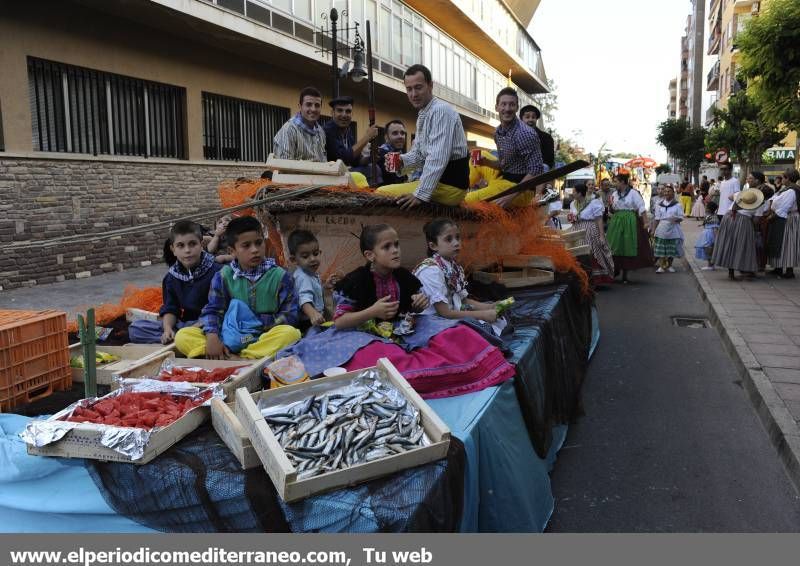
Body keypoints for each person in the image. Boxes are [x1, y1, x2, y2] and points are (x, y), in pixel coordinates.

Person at [175, 216, 301, 359]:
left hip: (262, 336)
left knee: (290, 334)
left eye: (259, 243)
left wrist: (256, 325)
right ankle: (228, 353)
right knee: (183, 336)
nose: (255, 250)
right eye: (246, 245)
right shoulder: (223, 276)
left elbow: (290, 315)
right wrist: (212, 337)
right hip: (229, 335)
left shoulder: (281, 276)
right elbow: (213, 310)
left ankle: (240, 357)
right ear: (232, 251)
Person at [375, 65, 469, 210]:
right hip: (442, 184)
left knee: (381, 193)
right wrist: (402, 163)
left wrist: (420, 194)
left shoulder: (440, 111)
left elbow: (437, 157)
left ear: (430, 86)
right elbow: (419, 154)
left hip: (450, 187)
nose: (413, 94)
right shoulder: (424, 114)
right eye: (409, 89)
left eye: (418, 87)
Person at [129, 221, 223, 345]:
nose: (187, 250)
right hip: (186, 326)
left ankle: (182, 341)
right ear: (173, 249)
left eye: (192, 244)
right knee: (136, 329)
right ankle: (177, 340)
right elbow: (171, 308)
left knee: (224, 329)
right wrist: (167, 329)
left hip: (211, 325)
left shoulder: (218, 271)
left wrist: (195, 328)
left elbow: (221, 310)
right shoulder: (171, 277)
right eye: (180, 246)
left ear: (201, 245)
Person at [333, 224, 429, 329]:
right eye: (386, 246)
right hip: (364, 333)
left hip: (399, 329)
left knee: (442, 333)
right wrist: (372, 312)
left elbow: (412, 310)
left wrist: (418, 305)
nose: (395, 250)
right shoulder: (356, 280)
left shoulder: (404, 277)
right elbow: (339, 321)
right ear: (370, 255)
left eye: (396, 244)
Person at [465, 88, 544, 208]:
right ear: (497, 107)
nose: (507, 109)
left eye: (511, 105)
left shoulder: (526, 134)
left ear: (517, 108)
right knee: (479, 155)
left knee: (468, 200)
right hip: (503, 177)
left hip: (520, 189)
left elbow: (536, 172)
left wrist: (510, 196)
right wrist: (485, 162)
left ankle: (466, 197)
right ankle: (462, 188)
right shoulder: (498, 132)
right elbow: (504, 164)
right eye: (503, 104)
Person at [413, 218, 499, 324]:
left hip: (450, 316)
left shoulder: (454, 267)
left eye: (457, 237)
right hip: (432, 322)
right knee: (479, 327)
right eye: (449, 239)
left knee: (495, 316)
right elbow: (445, 313)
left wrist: (489, 307)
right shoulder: (431, 271)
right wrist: (482, 314)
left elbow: (462, 300)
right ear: (433, 246)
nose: (456, 243)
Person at [606, 173, 652, 283]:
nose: (614, 183)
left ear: (622, 182)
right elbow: (612, 207)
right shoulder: (615, 194)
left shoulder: (633, 193)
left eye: (616, 181)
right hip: (616, 220)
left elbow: (641, 207)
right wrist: (610, 207)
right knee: (613, 245)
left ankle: (625, 274)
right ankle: (614, 270)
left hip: (629, 220)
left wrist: (645, 222)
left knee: (627, 245)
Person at [323, 95, 378, 187]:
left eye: (348, 111)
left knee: (374, 167)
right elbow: (343, 158)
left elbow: (356, 161)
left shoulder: (348, 132)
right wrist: (367, 136)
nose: (344, 115)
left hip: (345, 173)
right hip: (332, 176)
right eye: (340, 110)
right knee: (371, 171)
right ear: (332, 113)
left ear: (352, 114)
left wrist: (369, 156)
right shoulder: (328, 130)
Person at [711, 188, 764, 280]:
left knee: (729, 245)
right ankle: (745, 271)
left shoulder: (741, 196)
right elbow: (756, 221)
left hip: (728, 217)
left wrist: (739, 196)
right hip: (743, 222)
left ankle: (731, 273)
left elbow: (730, 197)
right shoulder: (760, 204)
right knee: (741, 246)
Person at [568, 183, 614, 286]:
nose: (572, 194)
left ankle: (593, 279)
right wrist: (571, 218)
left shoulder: (593, 203)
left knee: (590, 252)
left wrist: (602, 235)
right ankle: (580, 278)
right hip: (576, 229)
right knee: (577, 253)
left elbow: (599, 219)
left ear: (580, 193)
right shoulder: (572, 204)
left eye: (574, 192)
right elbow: (572, 216)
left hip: (590, 229)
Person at [288, 229, 328, 330]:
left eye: (315, 254)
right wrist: (313, 314)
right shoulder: (303, 277)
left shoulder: (310, 274)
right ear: (294, 260)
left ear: (320, 252)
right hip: (309, 322)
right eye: (305, 256)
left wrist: (325, 287)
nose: (312, 259)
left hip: (315, 318)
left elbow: (313, 293)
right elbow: (303, 298)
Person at [272, 87, 326, 162]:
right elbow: (284, 168)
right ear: (300, 106)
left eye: (317, 105)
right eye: (308, 104)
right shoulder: (289, 130)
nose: (313, 109)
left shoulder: (320, 132)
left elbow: (323, 162)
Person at [766, 169, 800, 279]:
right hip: (784, 216)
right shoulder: (787, 189)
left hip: (788, 218)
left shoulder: (791, 191)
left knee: (788, 243)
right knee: (781, 242)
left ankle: (789, 270)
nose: (781, 179)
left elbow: (785, 207)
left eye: (783, 177)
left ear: (788, 179)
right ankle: (778, 267)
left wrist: (772, 216)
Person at [651, 185, 685, 273]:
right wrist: (653, 230)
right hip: (662, 227)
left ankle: (669, 265)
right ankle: (662, 266)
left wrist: (676, 219)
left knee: (671, 248)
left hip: (673, 228)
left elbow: (681, 217)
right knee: (661, 248)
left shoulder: (677, 205)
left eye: (669, 191)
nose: (666, 193)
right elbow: (657, 218)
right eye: (665, 191)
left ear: (673, 193)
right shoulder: (659, 205)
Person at [519, 104, 555, 170]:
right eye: (527, 117)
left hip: (540, 172)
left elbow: (549, 161)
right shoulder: (515, 137)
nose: (531, 120)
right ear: (521, 119)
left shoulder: (546, 138)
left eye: (533, 117)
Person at [377, 119, 409, 186]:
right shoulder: (383, 153)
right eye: (395, 133)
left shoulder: (400, 153)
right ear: (386, 137)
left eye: (402, 133)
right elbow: (395, 181)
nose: (400, 136)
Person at [695, 201, 719, 270]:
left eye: (706, 206)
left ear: (709, 209)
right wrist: (702, 224)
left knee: (709, 248)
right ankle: (710, 264)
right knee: (707, 248)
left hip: (710, 234)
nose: (705, 207)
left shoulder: (714, 217)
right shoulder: (708, 215)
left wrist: (715, 237)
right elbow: (706, 222)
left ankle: (710, 265)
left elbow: (715, 227)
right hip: (706, 233)